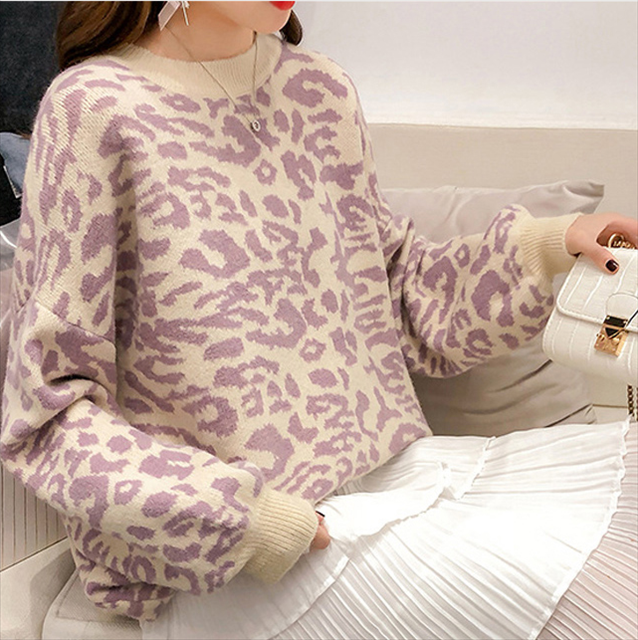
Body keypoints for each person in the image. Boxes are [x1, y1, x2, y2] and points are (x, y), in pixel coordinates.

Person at [0, 2, 636, 639]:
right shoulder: (93, 109)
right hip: (230, 556)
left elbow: (396, 293)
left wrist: (548, 246)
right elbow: (47, 411)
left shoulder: (319, 90)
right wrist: (243, 520)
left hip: (394, 482)